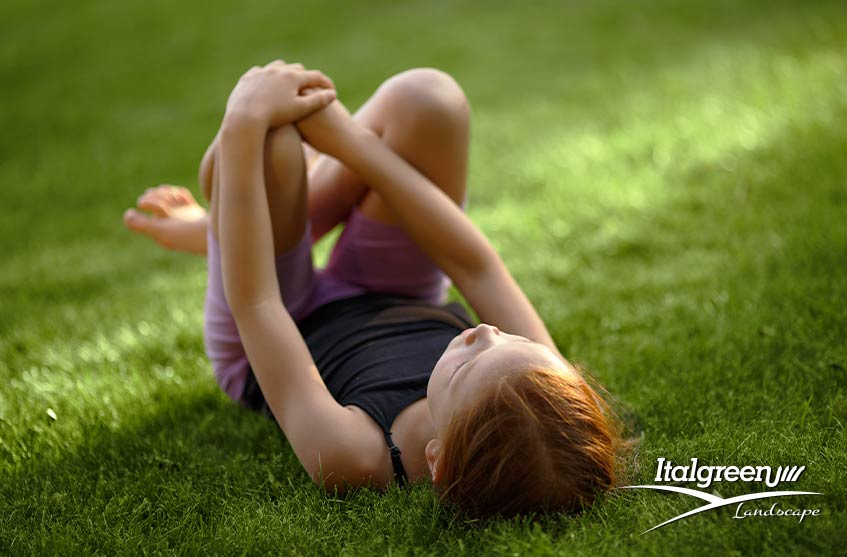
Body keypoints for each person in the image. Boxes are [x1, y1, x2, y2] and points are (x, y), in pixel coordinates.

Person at [124, 61, 618, 518]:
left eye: (470, 359)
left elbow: (256, 303)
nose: (487, 329)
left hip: (283, 319)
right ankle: (243, 217)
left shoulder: (354, 456)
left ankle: (227, 228)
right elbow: (475, 266)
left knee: (270, 145)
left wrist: (243, 120)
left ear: (437, 459)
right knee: (430, 100)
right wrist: (346, 140)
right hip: (395, 294)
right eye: (518, 341)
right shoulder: (543, 387)